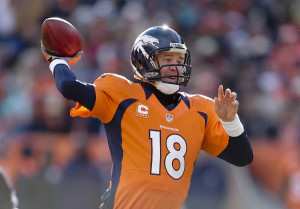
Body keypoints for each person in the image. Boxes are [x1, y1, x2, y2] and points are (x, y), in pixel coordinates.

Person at [41, 25, 253, 209]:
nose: (174, 66)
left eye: (179, 59)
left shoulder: (201, 109)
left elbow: (243, 158)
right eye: (167, 58)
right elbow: (68, 86)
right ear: (143, 61)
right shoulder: (123, 94)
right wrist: (57, 60)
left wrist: (230, 121)